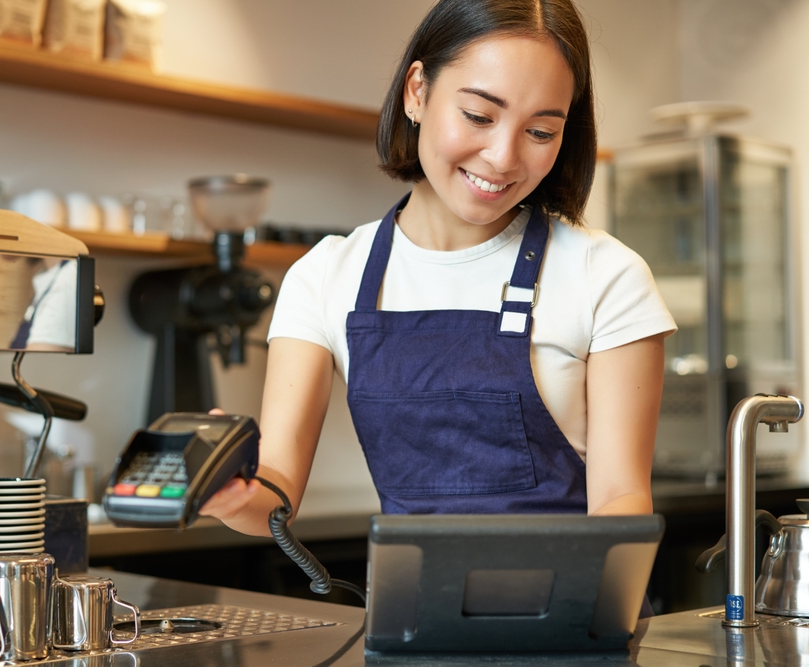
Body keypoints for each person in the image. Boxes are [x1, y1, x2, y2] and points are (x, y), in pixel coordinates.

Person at [201, 0, 676, 535]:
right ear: (417, 92)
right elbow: (275, 493)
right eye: (478, 115)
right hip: (414, 615)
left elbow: (621, 498)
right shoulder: (326, 276)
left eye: (540, 132)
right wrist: (226, 489)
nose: (503, 157)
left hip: (576, 612)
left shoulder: (606, 275)